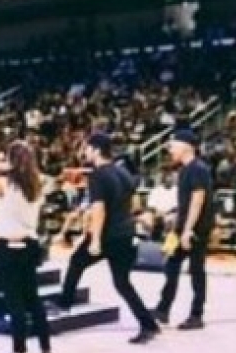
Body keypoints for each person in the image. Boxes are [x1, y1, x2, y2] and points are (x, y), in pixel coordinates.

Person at [57, 134, 159, 345]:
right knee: (123, 283)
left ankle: (64, 303)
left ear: (96, 150)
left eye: (87, 148)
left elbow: (99, 209)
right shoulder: (123, 173)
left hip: (108, 235)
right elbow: (133, 204)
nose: (85, 152)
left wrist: (95, 239)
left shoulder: (98, 175)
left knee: (76, 262)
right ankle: (148, 324)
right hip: (126, 233)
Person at [0, 142, 51, 353]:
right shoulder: (38, 183)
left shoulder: (4, 184)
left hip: (7, 247)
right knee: (33, 299)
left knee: (15, 304)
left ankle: (20, 349)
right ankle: (45, 346)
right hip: (30, 245)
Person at [151, 129, 212, 331]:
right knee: (171, 264)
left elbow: (197, 201)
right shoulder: (185, 170)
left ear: (186, 146)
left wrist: (187, 230)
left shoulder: (198, 169)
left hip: (196, 229)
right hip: (182, 228)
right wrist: (175, 229)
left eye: (173, 145)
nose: (170, 150)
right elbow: (184, 204)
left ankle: (196, 314)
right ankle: (163, 309)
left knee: (196, 270)